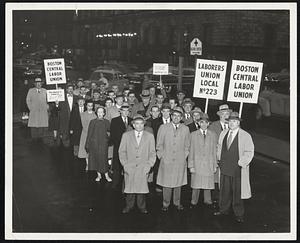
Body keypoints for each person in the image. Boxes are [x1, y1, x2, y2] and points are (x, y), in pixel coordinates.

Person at [214, 112, 254, 223]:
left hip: (238, 169)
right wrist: (218, 159)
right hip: (224, 168)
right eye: (230, 121)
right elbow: (219, 147)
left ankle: (239, 213)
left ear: (238, 123)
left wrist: (242, 162)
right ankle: (223, 210)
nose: (232, 123)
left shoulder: (245, 135)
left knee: (238, 192)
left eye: (235, 121)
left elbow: (249, 151)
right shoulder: (223, 133)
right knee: (224, 191)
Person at [118, 114, 156, 214]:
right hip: (129, 166)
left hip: (143, 166)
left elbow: (152, 153)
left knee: (142, 188)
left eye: (141, 124)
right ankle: (129, 205)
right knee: (129, 188)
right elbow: (121, 152)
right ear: (133, 125)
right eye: (137, 124)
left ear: (144, 124)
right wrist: (125, 164)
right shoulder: (126, 135)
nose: (139, 126)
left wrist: (149, 165)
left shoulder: (150, 136)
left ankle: (142, 206)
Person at [156, 106, 190, 211]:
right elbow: (159, 144)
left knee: (178, 183)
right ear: (171, 116)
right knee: (166, 183)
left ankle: (177, 202)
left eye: (178, 116)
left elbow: (187, 145)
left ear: (181, 118)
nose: (176, 118)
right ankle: (165, 203)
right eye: (174, 115)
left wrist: (184, 156)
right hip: (166, 159)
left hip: (180, 160)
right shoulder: (163, 127)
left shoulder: (185, 128)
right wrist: (161, 156)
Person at [188, 113, 218, 208]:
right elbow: (191, 150)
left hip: (209, 163)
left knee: (208, 184)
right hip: (197, 163)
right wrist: (191, 165)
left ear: (208, 124)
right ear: (198, 123)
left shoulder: (213, 135)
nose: (204, 124)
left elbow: (214, 150)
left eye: (206, 122)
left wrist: (214, 165)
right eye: (202, 122)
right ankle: (194, 201)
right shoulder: (193, 135)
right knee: (196, 184)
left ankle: (208, 200)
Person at [208, 104, 232, 202]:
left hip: (229, 158)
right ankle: (216, 197)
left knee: (227, 177)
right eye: (224, 113)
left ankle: (226, 197)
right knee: (216, 177)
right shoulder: (213, 126)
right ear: (220, 115)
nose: (226, 115)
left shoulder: (233, 125)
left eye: (228, 113)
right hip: (217, 156)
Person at [85, 106, 112, 182]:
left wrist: (108, 138)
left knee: (103, 159)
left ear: (104, 113)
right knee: (96, 159)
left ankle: (106, 175)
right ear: (96, 113)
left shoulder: (107, 122)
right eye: (98, 112)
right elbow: (89, 134)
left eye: (101, 112)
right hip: (94, 144)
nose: (100, 113)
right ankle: (99, 175)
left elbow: (110, 132)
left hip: (103, 144)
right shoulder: (92, 122)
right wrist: (87, 144)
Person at [110, 103, 132, 191]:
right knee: (117, 165)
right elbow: (113, 135)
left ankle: (127, 184)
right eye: (124, 111)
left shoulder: (132, 120)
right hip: (118, 146)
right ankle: (116, 183)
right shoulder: (115, 120)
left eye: (127, 111)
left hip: (130, 148)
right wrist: (119, 144)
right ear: (120, 111)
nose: (126, 112)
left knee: (127, 165)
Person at [26, 78, 49, 142]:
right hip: (34, 111)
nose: (38, 84)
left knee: (42, 127)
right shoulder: (31, 90)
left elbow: (49, 100)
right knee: (34, 127)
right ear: (35, 84)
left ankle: (41, 141)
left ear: (41, 84)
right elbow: (28, 100)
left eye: (40, 83)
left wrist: (47, 106)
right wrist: (31, 108)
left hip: (43, 111)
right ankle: (34, 140)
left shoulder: (45, 91)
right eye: (37, 83)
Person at [78, 100, 97, 171]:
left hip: (94, 134)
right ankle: (88, 165)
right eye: (89, 106)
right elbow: (84, 125)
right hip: (86, 134)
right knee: (86, 150)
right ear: (86, 106)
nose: (90, 107)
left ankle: (94, 164)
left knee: (94, 149)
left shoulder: (95, 114)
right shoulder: (82, 114)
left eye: (91, 106)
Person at [57, 83, 78, 147]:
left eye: (72, 89)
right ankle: (65, 146)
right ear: (66, 90)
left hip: (74, 120)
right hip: (65, 119)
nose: (70, 90)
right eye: (69, 89)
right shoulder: (61, 98)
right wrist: (57, 104)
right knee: (65, 133)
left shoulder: (77, 98)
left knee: (74, 134)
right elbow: (58, 109)